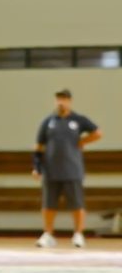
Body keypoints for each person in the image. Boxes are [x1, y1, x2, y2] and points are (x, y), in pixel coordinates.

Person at [33, 89, 102, 248]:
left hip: (72, 169)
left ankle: (78, 233)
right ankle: (48, 234)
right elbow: (38, 146)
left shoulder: (78, 120)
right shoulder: (48, 121)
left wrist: (83, 142)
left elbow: (98, 133)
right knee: (48, 204)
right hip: (51, 170)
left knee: (77, 204)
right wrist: (37, 167)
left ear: (69, 101)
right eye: (58, 99)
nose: (60, 102)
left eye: (63, 99)